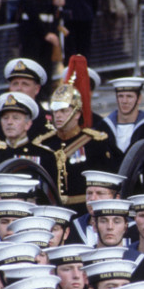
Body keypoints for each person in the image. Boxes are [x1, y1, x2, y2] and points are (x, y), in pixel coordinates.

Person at [34, 79, 118, 213]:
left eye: (64, 111)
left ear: (77, 114)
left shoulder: (95, 142)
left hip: (84, 211)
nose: (58, 116)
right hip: (52, 211)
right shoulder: (43, 144)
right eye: (56, 112)